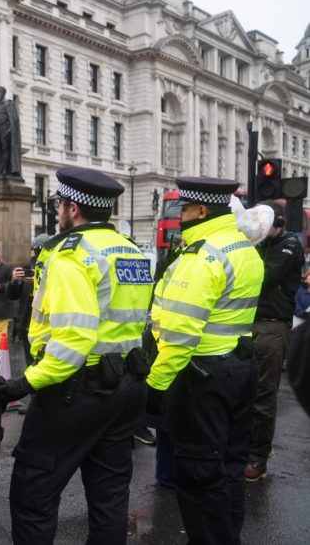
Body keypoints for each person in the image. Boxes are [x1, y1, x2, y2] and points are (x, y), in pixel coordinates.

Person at [0, 167, 152, 544]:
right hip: (125, 387)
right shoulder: (131, 250)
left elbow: (71, 343)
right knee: (109, 496)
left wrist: (20, 385)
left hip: (76, 393)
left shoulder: (70, 256)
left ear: (72, 208)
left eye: (60, 204)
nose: (58, 211)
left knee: (33, 494)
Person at [146, 177, 263, 545]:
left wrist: (153, 389)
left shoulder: (203, 256)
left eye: (184, 208)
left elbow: (180, 338)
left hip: (203, 376)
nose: (180, 215)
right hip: (239, 368)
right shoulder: (243, 247)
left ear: (201, 210)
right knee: (228, 467)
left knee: (198, 474)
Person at [245, 202, 304, 482]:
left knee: (263, 395)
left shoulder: (288, 246)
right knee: (244, 391)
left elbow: (264, 278)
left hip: (271, 326)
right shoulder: (260, 245)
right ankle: (243, 449)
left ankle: (258, 457)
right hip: (249, 323)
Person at [8, 233, 51, 366]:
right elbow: (13, 295)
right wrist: (14, 281)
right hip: (28, 326)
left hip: (50, 329)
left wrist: (41, 282)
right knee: (30, 365)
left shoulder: (55, 267)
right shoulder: (28, 267)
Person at [0, 86, 22, 177]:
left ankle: (4, 169)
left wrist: (10, 130)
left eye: (0, 92)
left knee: (4, 149)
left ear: (3, 93)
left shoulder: (8, 104)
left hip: (4, 128)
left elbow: (13, 120)